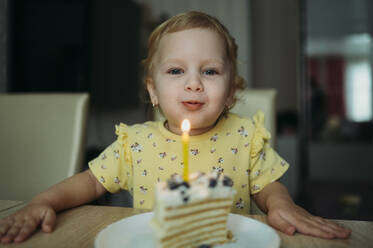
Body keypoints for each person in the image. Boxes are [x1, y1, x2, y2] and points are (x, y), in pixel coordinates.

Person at [0, 11, 351, 244]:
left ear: (230, 93)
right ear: (153, 90)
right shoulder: (134, 143)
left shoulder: (245, 137)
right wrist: (43, 201)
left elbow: (267, 187)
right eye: (175, 71)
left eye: (210, 71)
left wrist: (281, 203)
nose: (194, 83)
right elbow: (90, 181)